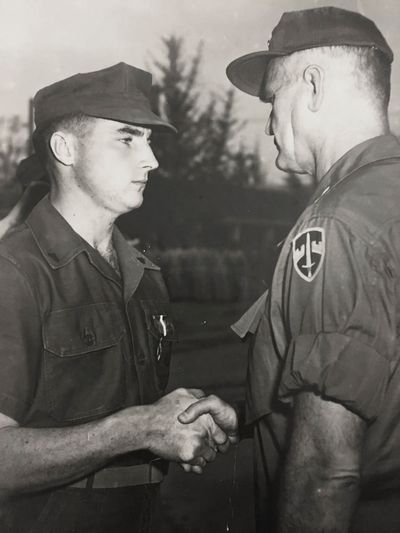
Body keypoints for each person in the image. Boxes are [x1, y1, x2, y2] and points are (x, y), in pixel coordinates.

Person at [0, 62, 238, 533]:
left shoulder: (145, 275)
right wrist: (138, 429)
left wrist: (184, 423)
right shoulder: (14, 273)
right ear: (65, 148)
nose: (151, 160)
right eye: (127, 139)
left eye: (149, 141)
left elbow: (133, 410)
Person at [221, 5, 400, 532]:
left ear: (315, 87)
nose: (269, 121)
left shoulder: (337, 223)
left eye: (274, 98)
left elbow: (327, 465)